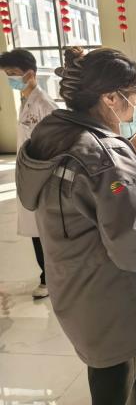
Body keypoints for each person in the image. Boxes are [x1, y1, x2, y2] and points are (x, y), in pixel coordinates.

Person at [16, 46, 136, 405]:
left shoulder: (53, 135)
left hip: (83, 295)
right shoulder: (104, 157)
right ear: (110, 98)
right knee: (134, 388)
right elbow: (133, 245)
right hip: (122, 307)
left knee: (109, 384)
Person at [0, 49, 58, 299]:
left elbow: (55, 145)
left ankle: (49, 279)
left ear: (30, 73)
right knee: (36, 231)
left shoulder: (44, 105)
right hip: (30, 177)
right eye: (7, 74)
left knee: (43, 231)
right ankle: (47, 276)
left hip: (41, 179)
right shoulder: (25, 101)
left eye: (14, 73)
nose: (10, 79)